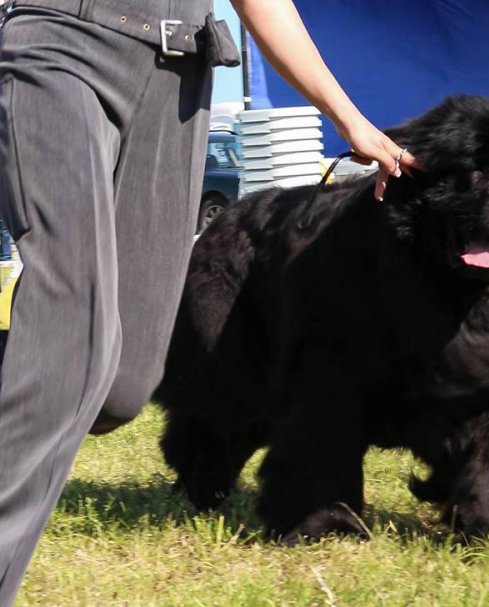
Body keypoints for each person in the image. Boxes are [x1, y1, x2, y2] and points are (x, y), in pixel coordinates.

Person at [0, 0, 418, 603]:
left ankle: (39, 362)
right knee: (73, 338)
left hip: (177, 83)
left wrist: (348, 118)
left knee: (121, 385)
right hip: (60, 46)